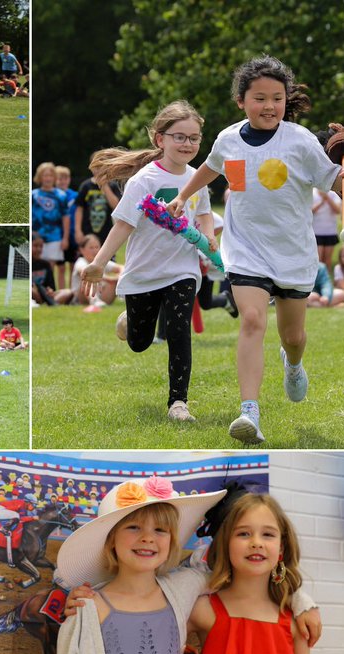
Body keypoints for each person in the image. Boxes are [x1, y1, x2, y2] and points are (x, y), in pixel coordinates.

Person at [164, 56, 344, 444]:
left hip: (293, 253)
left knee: (293, 336)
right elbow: (211, 167)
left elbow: (336, 177)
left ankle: (293, 365)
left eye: (277, 97)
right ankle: (249, 414)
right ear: (241, 101)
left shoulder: (300, 140)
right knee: (253, 321)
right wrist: (182, 197)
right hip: (245, 249)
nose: (270, 106)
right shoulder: (227, 139)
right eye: (260, 98)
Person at [53, 478, 322, 654]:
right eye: (134, 527)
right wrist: (80, 602)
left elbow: (237, 573)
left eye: (160, 530)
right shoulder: (88, 606)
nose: (147, 537)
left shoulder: (183, 589)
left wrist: (300, 599)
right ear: (111, 540)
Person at [83, 100, 213, 423]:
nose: (187, 144)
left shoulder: (197, 178)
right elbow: (124, 224)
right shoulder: (144, 181)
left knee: (179, 329)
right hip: (144, 271)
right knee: (139, 343)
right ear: (160, 139)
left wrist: (209, 238)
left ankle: (178, 403)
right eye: (179, 137)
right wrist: (99, 263)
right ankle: (130, 320)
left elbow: (206, 214)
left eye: (194, 138)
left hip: (182, 268)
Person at [189, 490, 311, 654]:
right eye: (244, 534)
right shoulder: (202, 610)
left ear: (281, 548)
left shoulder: (297, 622)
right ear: (226, 544)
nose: (256, 543)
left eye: (268, 534)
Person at [33, 162, 68, 281]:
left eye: (50, 175)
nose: (47, 178)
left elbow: (65, 217)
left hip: (55, 236)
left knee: (49, 268)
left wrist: (65, 238)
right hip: (37, 238)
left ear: (54, 177)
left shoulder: (61, 195)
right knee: (36, 265)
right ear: (39, 177)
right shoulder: (34, 195)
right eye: (44, 175)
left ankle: (47, 291)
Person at [310, 188, 341, 273]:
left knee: (328, 261)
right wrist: (322, 202)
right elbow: (309, 211)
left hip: (330, 231)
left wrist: (327, 198)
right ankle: (317, 282)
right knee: (318, 260)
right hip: (316, 232)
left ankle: (328, 281)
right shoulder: (312, 193)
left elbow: (338, 210)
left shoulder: (333, 194)